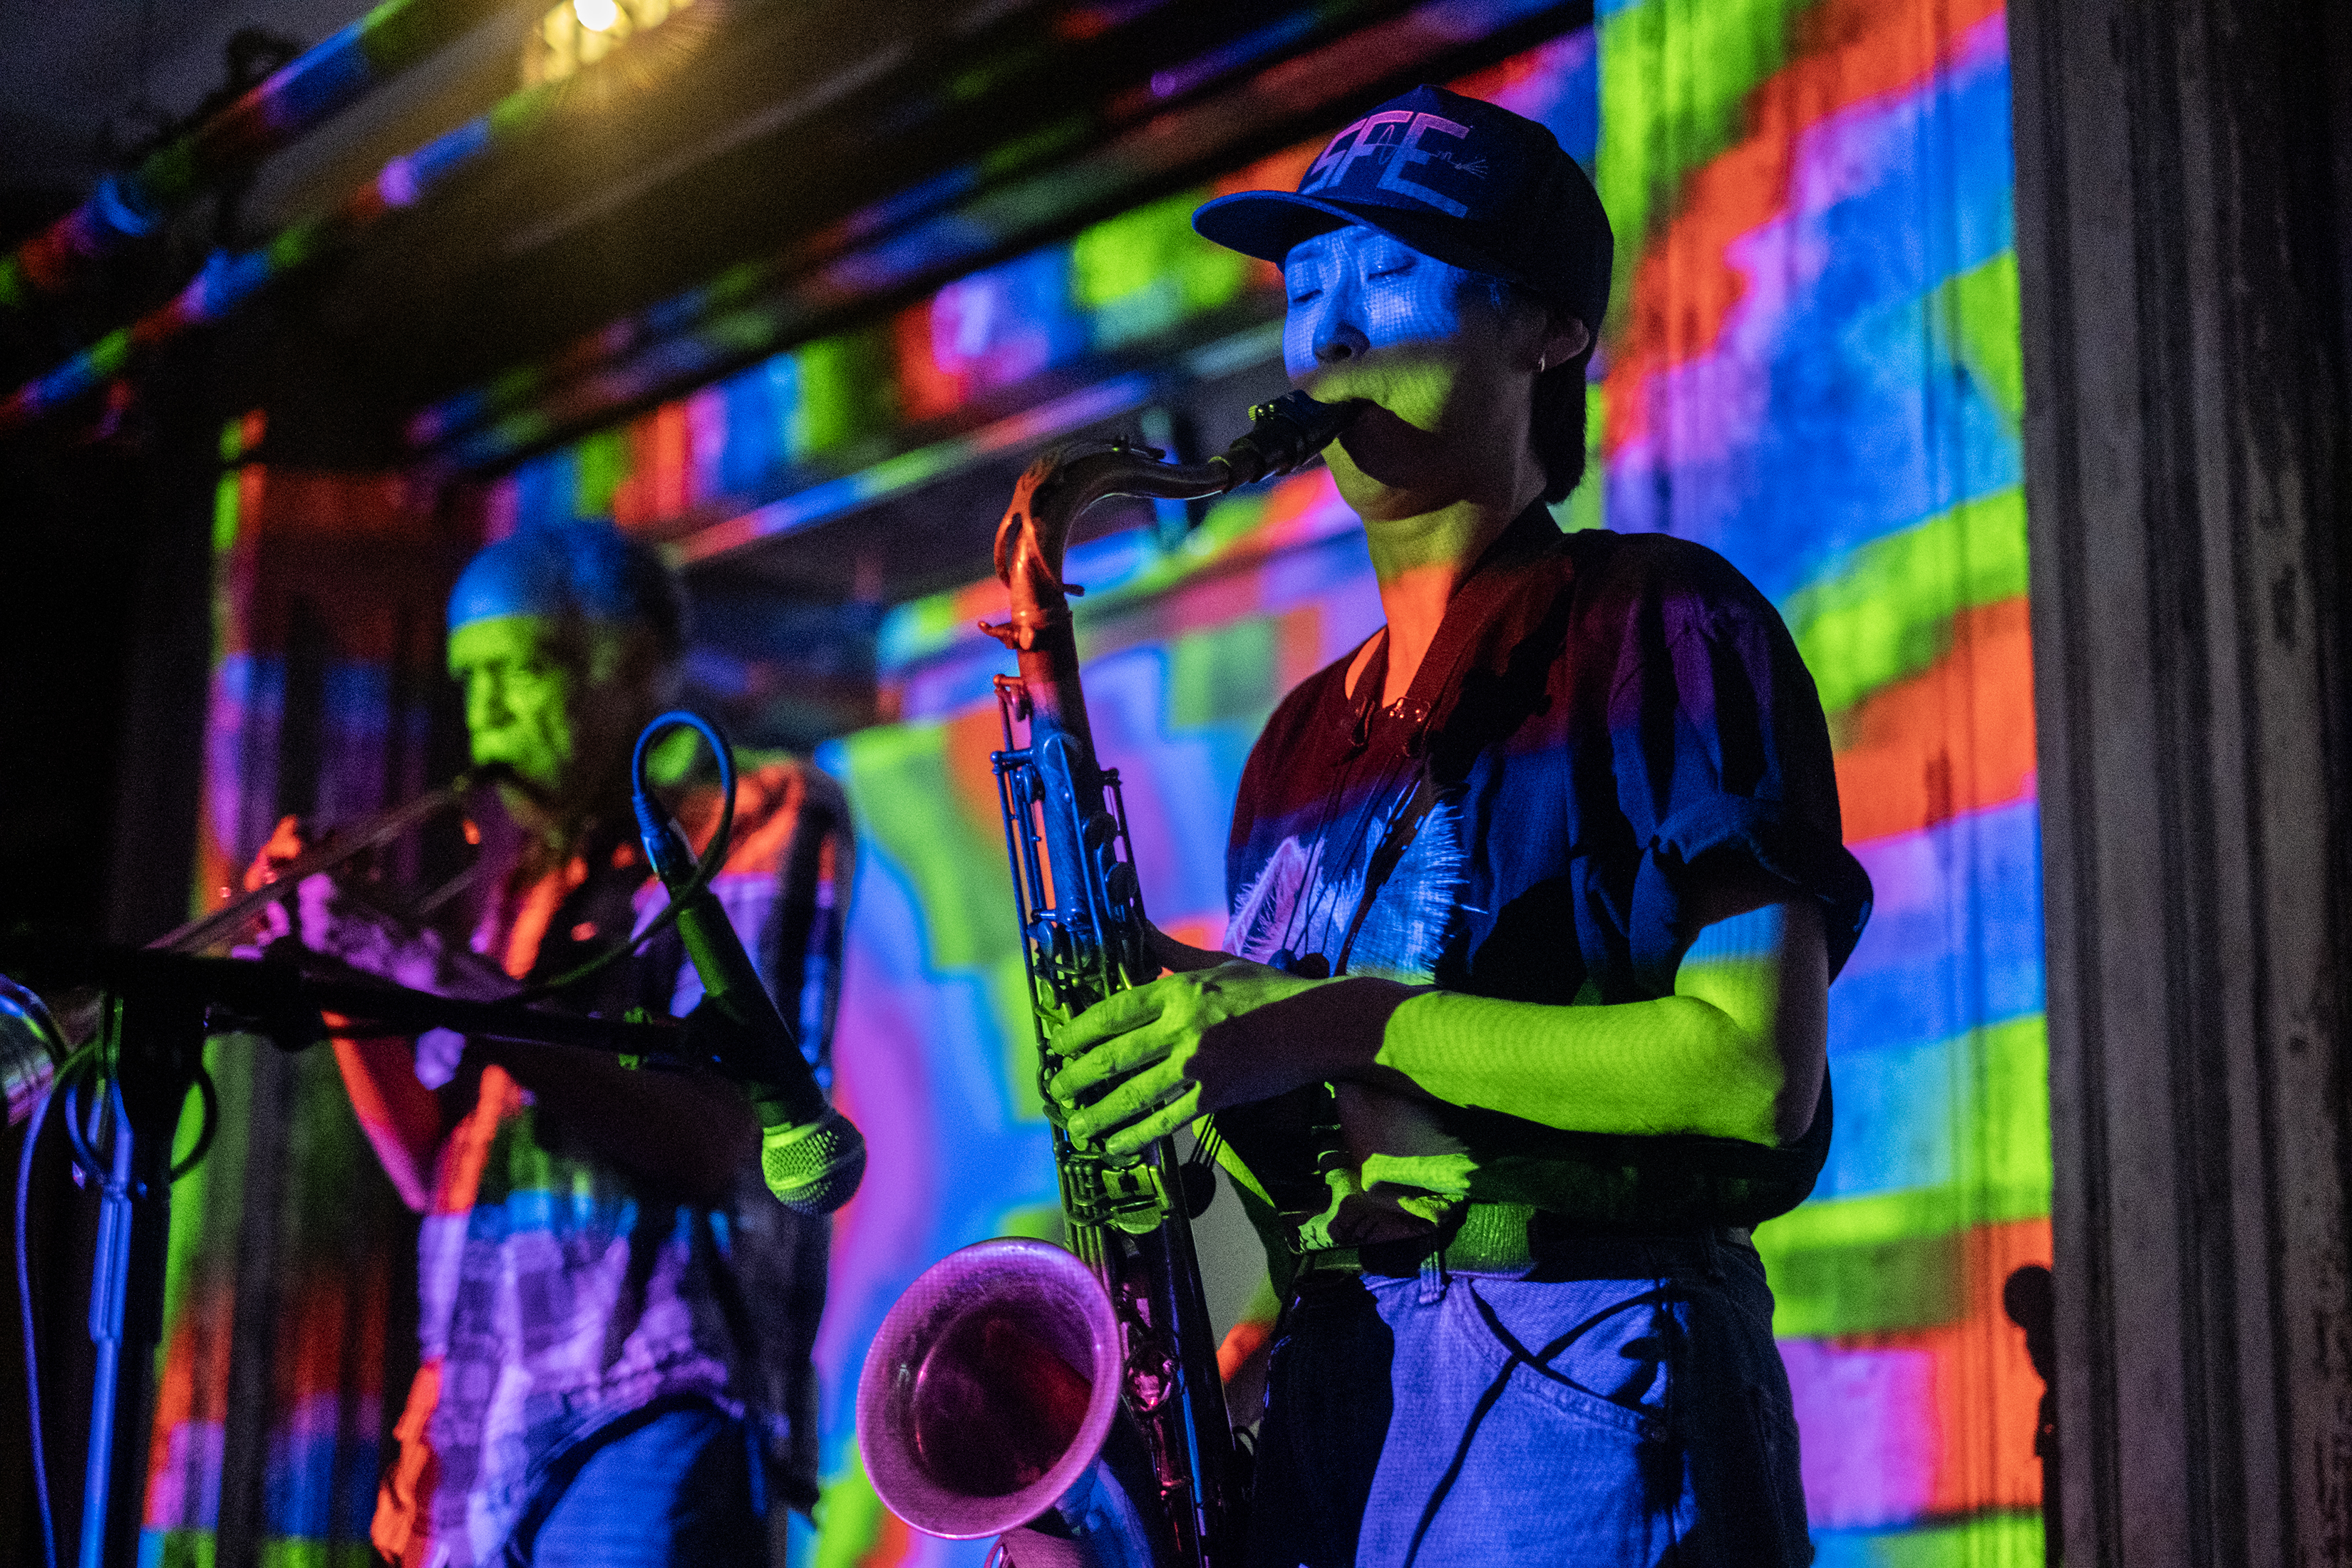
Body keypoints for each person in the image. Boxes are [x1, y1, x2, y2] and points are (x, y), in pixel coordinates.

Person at [1044, 86, 1872, 1565]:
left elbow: (1752, 1069)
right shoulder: (1300, 737)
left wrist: (1335, 1018)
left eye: (1390, 274)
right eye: (1307, 290)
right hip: (1345, 1381)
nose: (1332, 337)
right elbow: (1312, 1147)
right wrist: (1180, 1036)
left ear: (1547, 327)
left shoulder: (1668, 624)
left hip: (1586, 1359)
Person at [249, 521, 852, 1568]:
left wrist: (419, 961)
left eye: (510, 675)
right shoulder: (515, 884)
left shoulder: (754, 812)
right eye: (466, 684)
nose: (479, 718)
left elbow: (723, 1139)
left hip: (645, 1403)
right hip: (477, 1429)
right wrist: (343, 972)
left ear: (623, 664)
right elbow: (429, 1167)